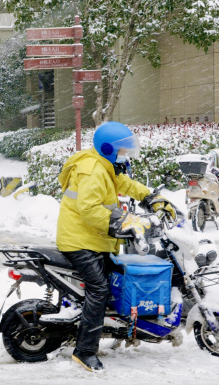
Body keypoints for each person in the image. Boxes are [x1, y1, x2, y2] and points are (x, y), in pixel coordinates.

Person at [54, 121, 174, 372]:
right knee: (99, 289)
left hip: (92, 238)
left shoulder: (105, 164)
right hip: (79, 241)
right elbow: (88, 210)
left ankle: (114, 330)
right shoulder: (92, 169)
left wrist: (151, 198)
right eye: (123, 150)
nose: (126, 155)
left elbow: (125, 184)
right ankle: (84, 351)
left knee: (117, 278)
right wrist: (124, 222)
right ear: (108, 148)